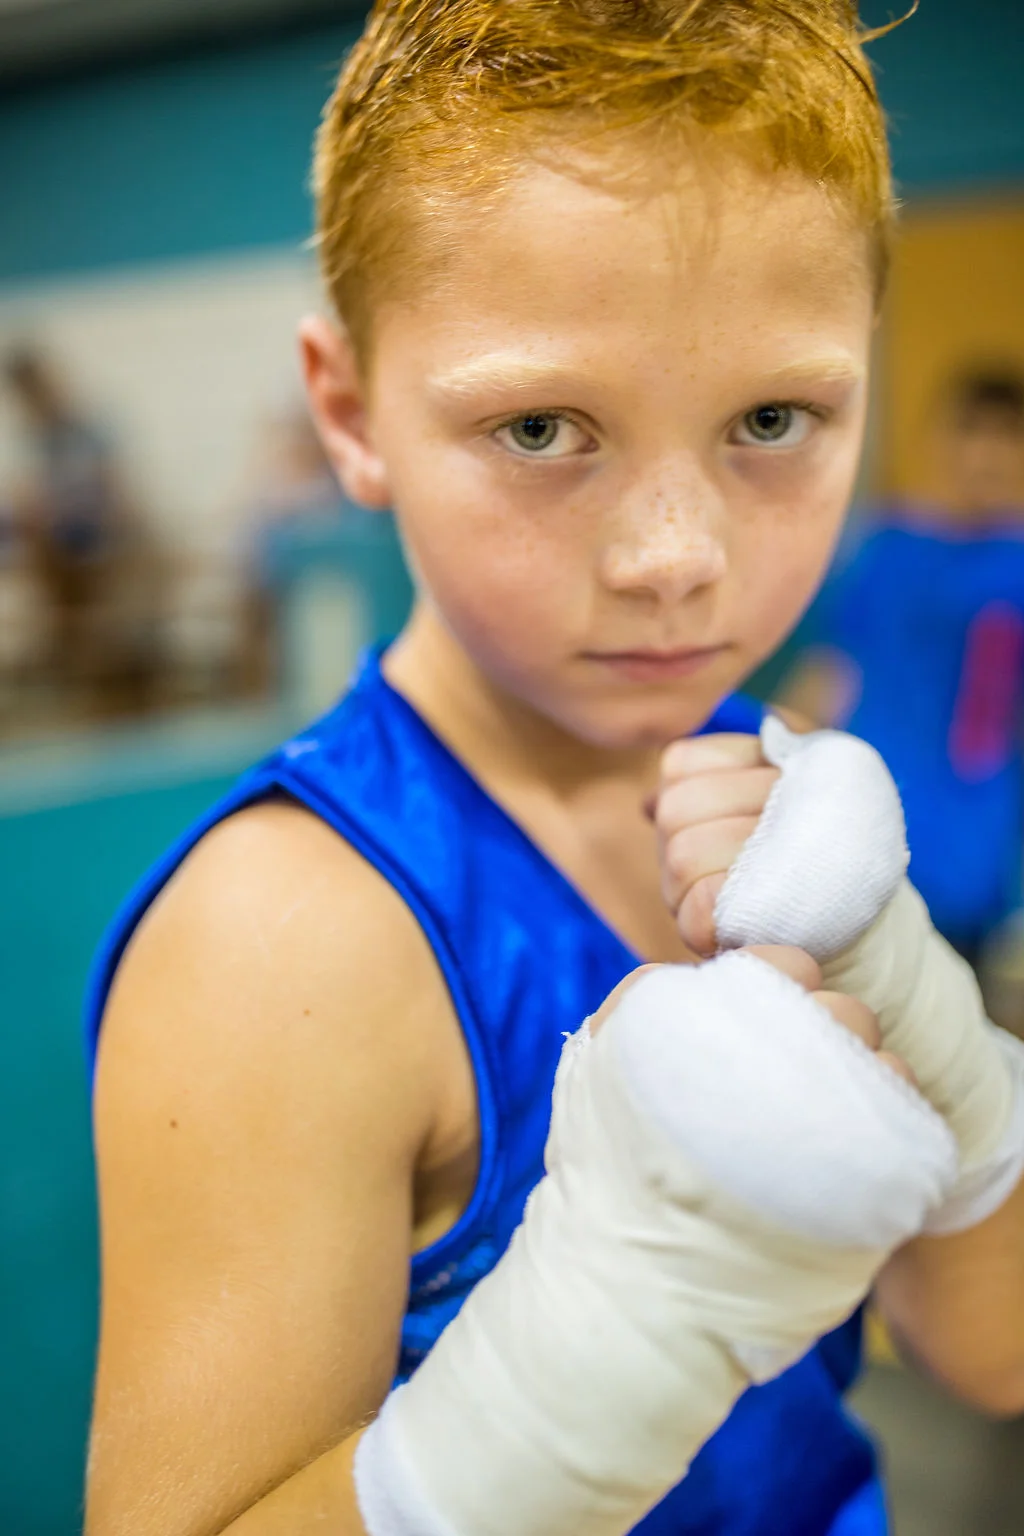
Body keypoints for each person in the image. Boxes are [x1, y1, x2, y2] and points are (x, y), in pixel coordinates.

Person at [83, 6, 1024, 1535]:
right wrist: (604, 1347)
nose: (676, 560)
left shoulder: (771, 798)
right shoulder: (286, 940)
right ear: (349, 414)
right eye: (539, 428)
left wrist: (914, 998)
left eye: (772, 419)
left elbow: (993, 1346)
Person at [778, 370, 1024, 961]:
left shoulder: (1013, 568)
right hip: (864, 825)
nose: (986, 454)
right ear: (938, 438)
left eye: (1007, 436)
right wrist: (777, 763)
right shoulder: (886, 551)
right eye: (971, 432)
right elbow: (829, 674)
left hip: (975, 850)